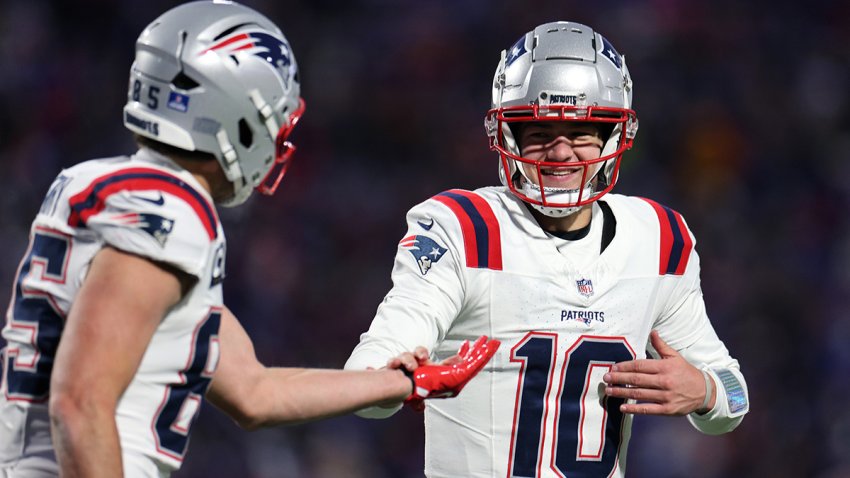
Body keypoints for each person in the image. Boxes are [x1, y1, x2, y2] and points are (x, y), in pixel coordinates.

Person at [0, 2, 500, 477]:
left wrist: (403, 380)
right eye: (272, 117)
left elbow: (254, 392)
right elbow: (80, 400)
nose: (278, 137)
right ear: (232, 114)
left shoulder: (98, 184)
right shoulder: (170, 210)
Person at [345, 20, 750, 477]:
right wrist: (392, 380)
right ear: (506, 135)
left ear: (613, 137)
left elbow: (736, 396)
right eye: (539, 133)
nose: (560, 153)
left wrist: (706, 392)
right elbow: (369, 372)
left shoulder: (658, 238)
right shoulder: (463, 228)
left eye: (580, 133)